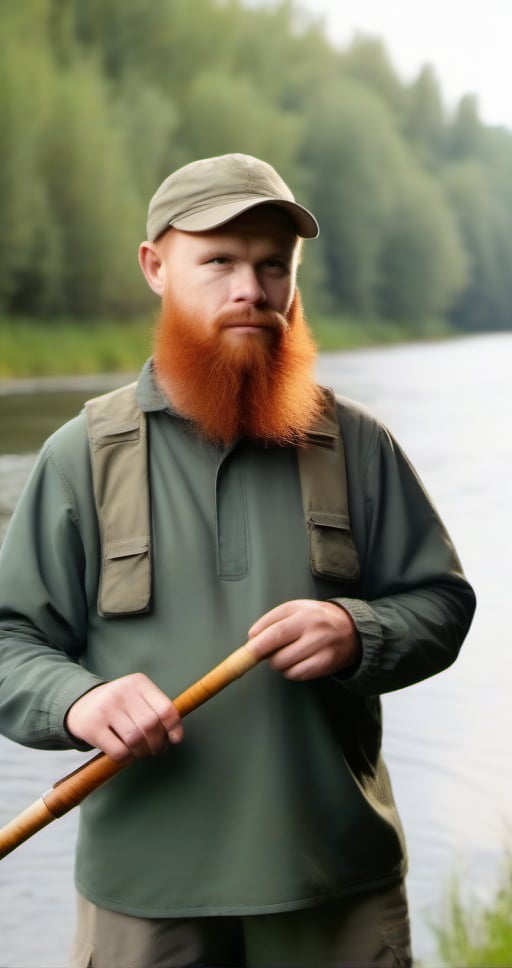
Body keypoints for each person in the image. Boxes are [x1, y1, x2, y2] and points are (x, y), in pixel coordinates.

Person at [0, 153, 475, 968]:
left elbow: (440, 603)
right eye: (217, 261)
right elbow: (10, 641)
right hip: (142, 897)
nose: (249, 290)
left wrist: (356, 629)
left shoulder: (358, 445)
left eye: (271, 266)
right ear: (155, 267)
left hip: (338, 888)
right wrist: (81, 700)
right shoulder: (79, 455)